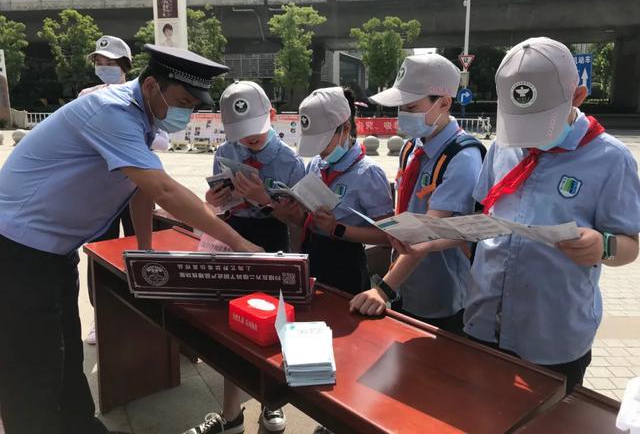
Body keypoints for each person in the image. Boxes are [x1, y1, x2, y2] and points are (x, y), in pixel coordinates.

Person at [0, 44, 262, 434]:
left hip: (52, 252)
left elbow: (138, 188)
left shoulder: (143, 116)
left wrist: (145, 250)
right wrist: (241, 245)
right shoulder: (112, 112)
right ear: (152, 85)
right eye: (182, 102)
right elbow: (164, 190)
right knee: (31, 367)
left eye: (193, 106)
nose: (186, 113)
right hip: (18, 251)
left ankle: (78, 425)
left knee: (66, 350)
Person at [364, 37, 640, 394]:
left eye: (540, 123)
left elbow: (630, 245)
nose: (527, 140)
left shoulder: (611, 160)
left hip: (551, 334)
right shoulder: (502, 146)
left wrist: (602, 246)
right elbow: (482, 225)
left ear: (578, 96)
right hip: (482, 318)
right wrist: (428, 242)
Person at [185, 81, 305, 434]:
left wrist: (264, 200)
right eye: (240, 132)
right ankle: (231, 413)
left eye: (255, 129)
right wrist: (213, 200)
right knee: (232, 324)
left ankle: (272, 403)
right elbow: (218, 204)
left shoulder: (290, 161)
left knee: (273, 323)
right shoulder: (226, 150)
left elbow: (300, 219)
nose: (249, 139)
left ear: (272, 115)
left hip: (272, 240)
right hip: (232, 237)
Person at [350, 54, 484, 335]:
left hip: (439, 295)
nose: (403, 114)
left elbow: (427, 232)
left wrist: (383, 289)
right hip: (403, 283)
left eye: (411, 107)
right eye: (401, 107)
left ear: (444, 103)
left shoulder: (463, 158)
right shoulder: (411, 147)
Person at [295, 86, 393, 295]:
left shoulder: (368, 173)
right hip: (313, 252)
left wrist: (337, 228)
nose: (319, 152)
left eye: (323, 143)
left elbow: (387, 236)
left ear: (345, 129)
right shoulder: (316, 164)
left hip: (346, 262)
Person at [79, 35, 136, 345]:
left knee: (136, 248)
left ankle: (137, 309)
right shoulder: (87, 96)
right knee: (99, 249)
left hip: (134, 185)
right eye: (99, 63)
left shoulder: (138, 94)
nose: (103, 67)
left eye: (109, 63)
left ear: (124, 65)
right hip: (99, 188)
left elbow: (157, 140)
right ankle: (99, 314)